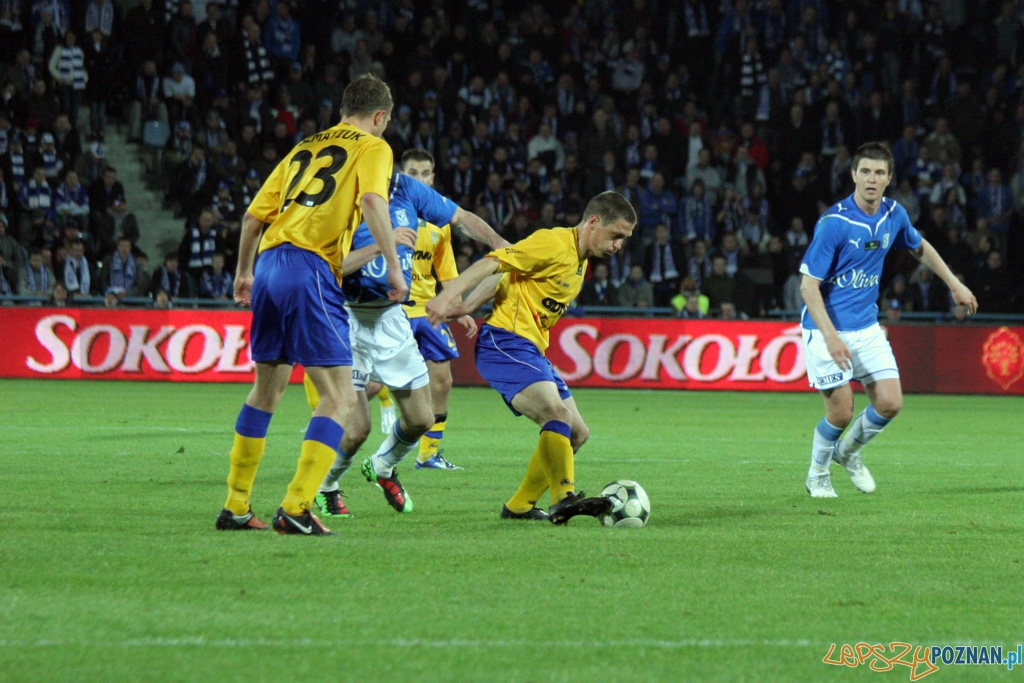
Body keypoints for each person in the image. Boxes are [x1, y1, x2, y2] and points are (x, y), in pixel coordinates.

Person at [216, 74, 405, 536]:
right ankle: (297, 507)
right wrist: (396, 268)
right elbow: (373, 202)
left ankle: (236, 506)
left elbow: (252, 216)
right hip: (310, 267)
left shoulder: (303, 147)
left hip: (269, 265)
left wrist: (243, 272)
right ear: (379, 117)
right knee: (340, 397)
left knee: (266, 391)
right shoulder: (373, 147)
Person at [307, 147, 506, 519]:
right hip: (346, 319)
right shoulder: (341, 198)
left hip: (391, 318)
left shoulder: (408, 191)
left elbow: (461, 218)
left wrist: (499, 244)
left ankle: (382, 467)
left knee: (420, 418)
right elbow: (330, 267)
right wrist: (382, 244)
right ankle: (326, 486)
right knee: (355, 430)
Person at [425, 191, 637, 525]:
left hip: (530, 349)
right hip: (505, 342)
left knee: (578, 433)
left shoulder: (579, 262)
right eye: (616, 236)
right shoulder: (554, 244)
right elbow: (493, 261)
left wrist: (468, 306)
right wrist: (450, 297)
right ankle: (563, 497)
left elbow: (509, 274)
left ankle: (520, 506)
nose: (618, 246)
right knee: (557, 415)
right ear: (594, 222)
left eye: (623, 240)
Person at [799, 142, 977, 499]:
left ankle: (847, 454)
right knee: (841, 413)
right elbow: (808, 287)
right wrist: (832, 338)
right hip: (825, 329)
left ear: (889, 178)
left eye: (879, 173)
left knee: (890, 403)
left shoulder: (893, 214)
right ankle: (817, 473)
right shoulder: (835, 223)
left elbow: (919, 246)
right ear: (853, 174)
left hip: (866, 326)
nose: (871, 179)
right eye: (865, 171)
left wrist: (954, 283)